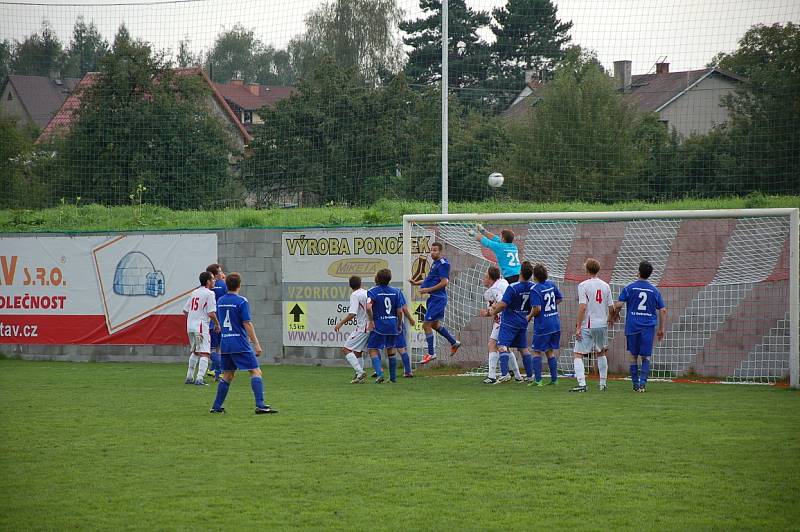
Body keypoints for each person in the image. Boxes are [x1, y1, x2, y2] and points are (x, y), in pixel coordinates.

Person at [210, 273, 277, 414]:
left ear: (227, 285)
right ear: (239, 285)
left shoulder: (220, 301)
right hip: (239, 343)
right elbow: (247, 323)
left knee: (228, 375)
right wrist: (256, 343)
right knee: (255, 371)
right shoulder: (241, 301)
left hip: (226, 343)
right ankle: (260, 405)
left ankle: (216, 407)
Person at [610, 261, 667, 393]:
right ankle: (642, 384)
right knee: (646, 357)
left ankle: (635, 384)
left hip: (632, 326)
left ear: (638, 272)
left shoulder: (629, 288)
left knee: (633, 356)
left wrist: (614, 314)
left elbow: (618, 305)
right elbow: (663, 310)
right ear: (649, 274)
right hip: (648, 327)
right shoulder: (655, 290)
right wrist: (661, 329)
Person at [409, 242, 461, 365]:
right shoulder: (435, 263)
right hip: (434, 298)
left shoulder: (443, 264)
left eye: (435, 250)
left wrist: (427, 290)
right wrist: (417, 283)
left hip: (438, 299)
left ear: (440, 251)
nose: (432, 252)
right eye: (431, 250)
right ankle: (454, 342)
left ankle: (431, 353)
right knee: (435, 325)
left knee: (425, 325)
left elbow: (444, 282)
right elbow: (431, 278)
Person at [487, 261, 535, 384]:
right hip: (523, 320)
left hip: (509, 321)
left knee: (502, 346)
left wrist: (493, 312)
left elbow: (503, 304)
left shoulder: (513, 287)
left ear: (520, 272)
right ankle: (530, 376)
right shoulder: (532, 287)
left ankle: (504, 374)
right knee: (523, 348)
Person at [570, 258, 614, 393]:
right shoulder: (606, 285)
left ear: (587, 270)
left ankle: (582, 384)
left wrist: (578, 326)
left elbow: (582, 307)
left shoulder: (583, 285)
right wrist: (610, 319)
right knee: (600, 352)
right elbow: (611, 307)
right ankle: (603, 384)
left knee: (578, 353)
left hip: (588, 324)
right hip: (601, 324)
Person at [479, 265, 523, 384]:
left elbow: (502, 303)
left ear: (490, 278)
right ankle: (518, 375)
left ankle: (492, 376)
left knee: (492, 344)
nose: (483, 279)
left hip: (504, 320)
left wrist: (488, 312)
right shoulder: (502, 282)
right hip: (512, 318)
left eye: (485, 277)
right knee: (505, 347)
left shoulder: (494, 290)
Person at [182, 271, 220, 386]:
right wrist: (217, 324)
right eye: (213, 279)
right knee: (205, 353)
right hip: (201, 326)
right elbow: (211, 313)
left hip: (190, 326)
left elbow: (185, 310)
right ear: (208, 281)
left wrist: (193, 319)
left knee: (195, 351)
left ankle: (189, 377)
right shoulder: (209, 293)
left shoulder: (194, 292)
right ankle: (199, 378)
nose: (214, 281)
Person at [366, 268, 403, 383]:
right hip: (392, 324)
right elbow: (400, 311)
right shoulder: (396, 291)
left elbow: (368, 307)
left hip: (379, 325)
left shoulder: (373, 291)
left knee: (372, 349)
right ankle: (392, 378)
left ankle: (380, 374)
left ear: (377, 278)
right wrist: (399, 323)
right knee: (391, 350)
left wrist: (371, 320)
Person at [528, 263, 563, 386]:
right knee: (549, 351)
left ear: (535, 276)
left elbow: (537, 309)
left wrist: (529, 316)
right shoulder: (551, 284)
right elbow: (559, 298)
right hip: (555, 323)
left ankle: (538, 380)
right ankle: (554, 380)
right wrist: (551, 308)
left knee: (537, 351)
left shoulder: (535, 289)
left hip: (543, 325)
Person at [334, 275, 369, 384]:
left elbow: (352, 313)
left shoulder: (355, 295)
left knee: (346, 348)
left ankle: (360, 371)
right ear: (361, 283)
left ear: (350, 285)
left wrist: (340, 323)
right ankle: (360, 376)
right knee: (358, 352)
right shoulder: (366, 292)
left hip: (363, 327)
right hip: (370, 326)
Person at [206, 263, 227, 382]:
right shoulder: (223, 285)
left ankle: (216, 371)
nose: (221, 273)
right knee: (216, 349)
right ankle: (219, 370)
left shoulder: (204, 287)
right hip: (219, 321)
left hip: (209, 322)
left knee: (212, 350)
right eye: (219, 272)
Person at [393, 292, 417, 378]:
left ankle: (378, 371)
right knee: (401, 349)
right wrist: (410, 319)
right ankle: (408, 371)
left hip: (380, 323)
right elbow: (402, 309)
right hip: (394, 322)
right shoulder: (397, 292)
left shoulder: (374, 292)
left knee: (376, 348)